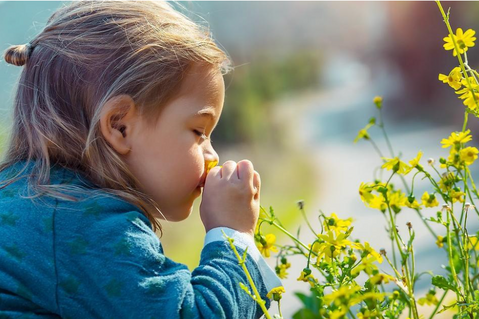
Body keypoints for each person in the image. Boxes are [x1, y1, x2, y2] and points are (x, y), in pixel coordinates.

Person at [0, 1, 282, 318]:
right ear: (120, 126)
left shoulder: (32, 202)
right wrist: (232, 234)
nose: (212, 155)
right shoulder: (83, 223)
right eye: (198, 131)